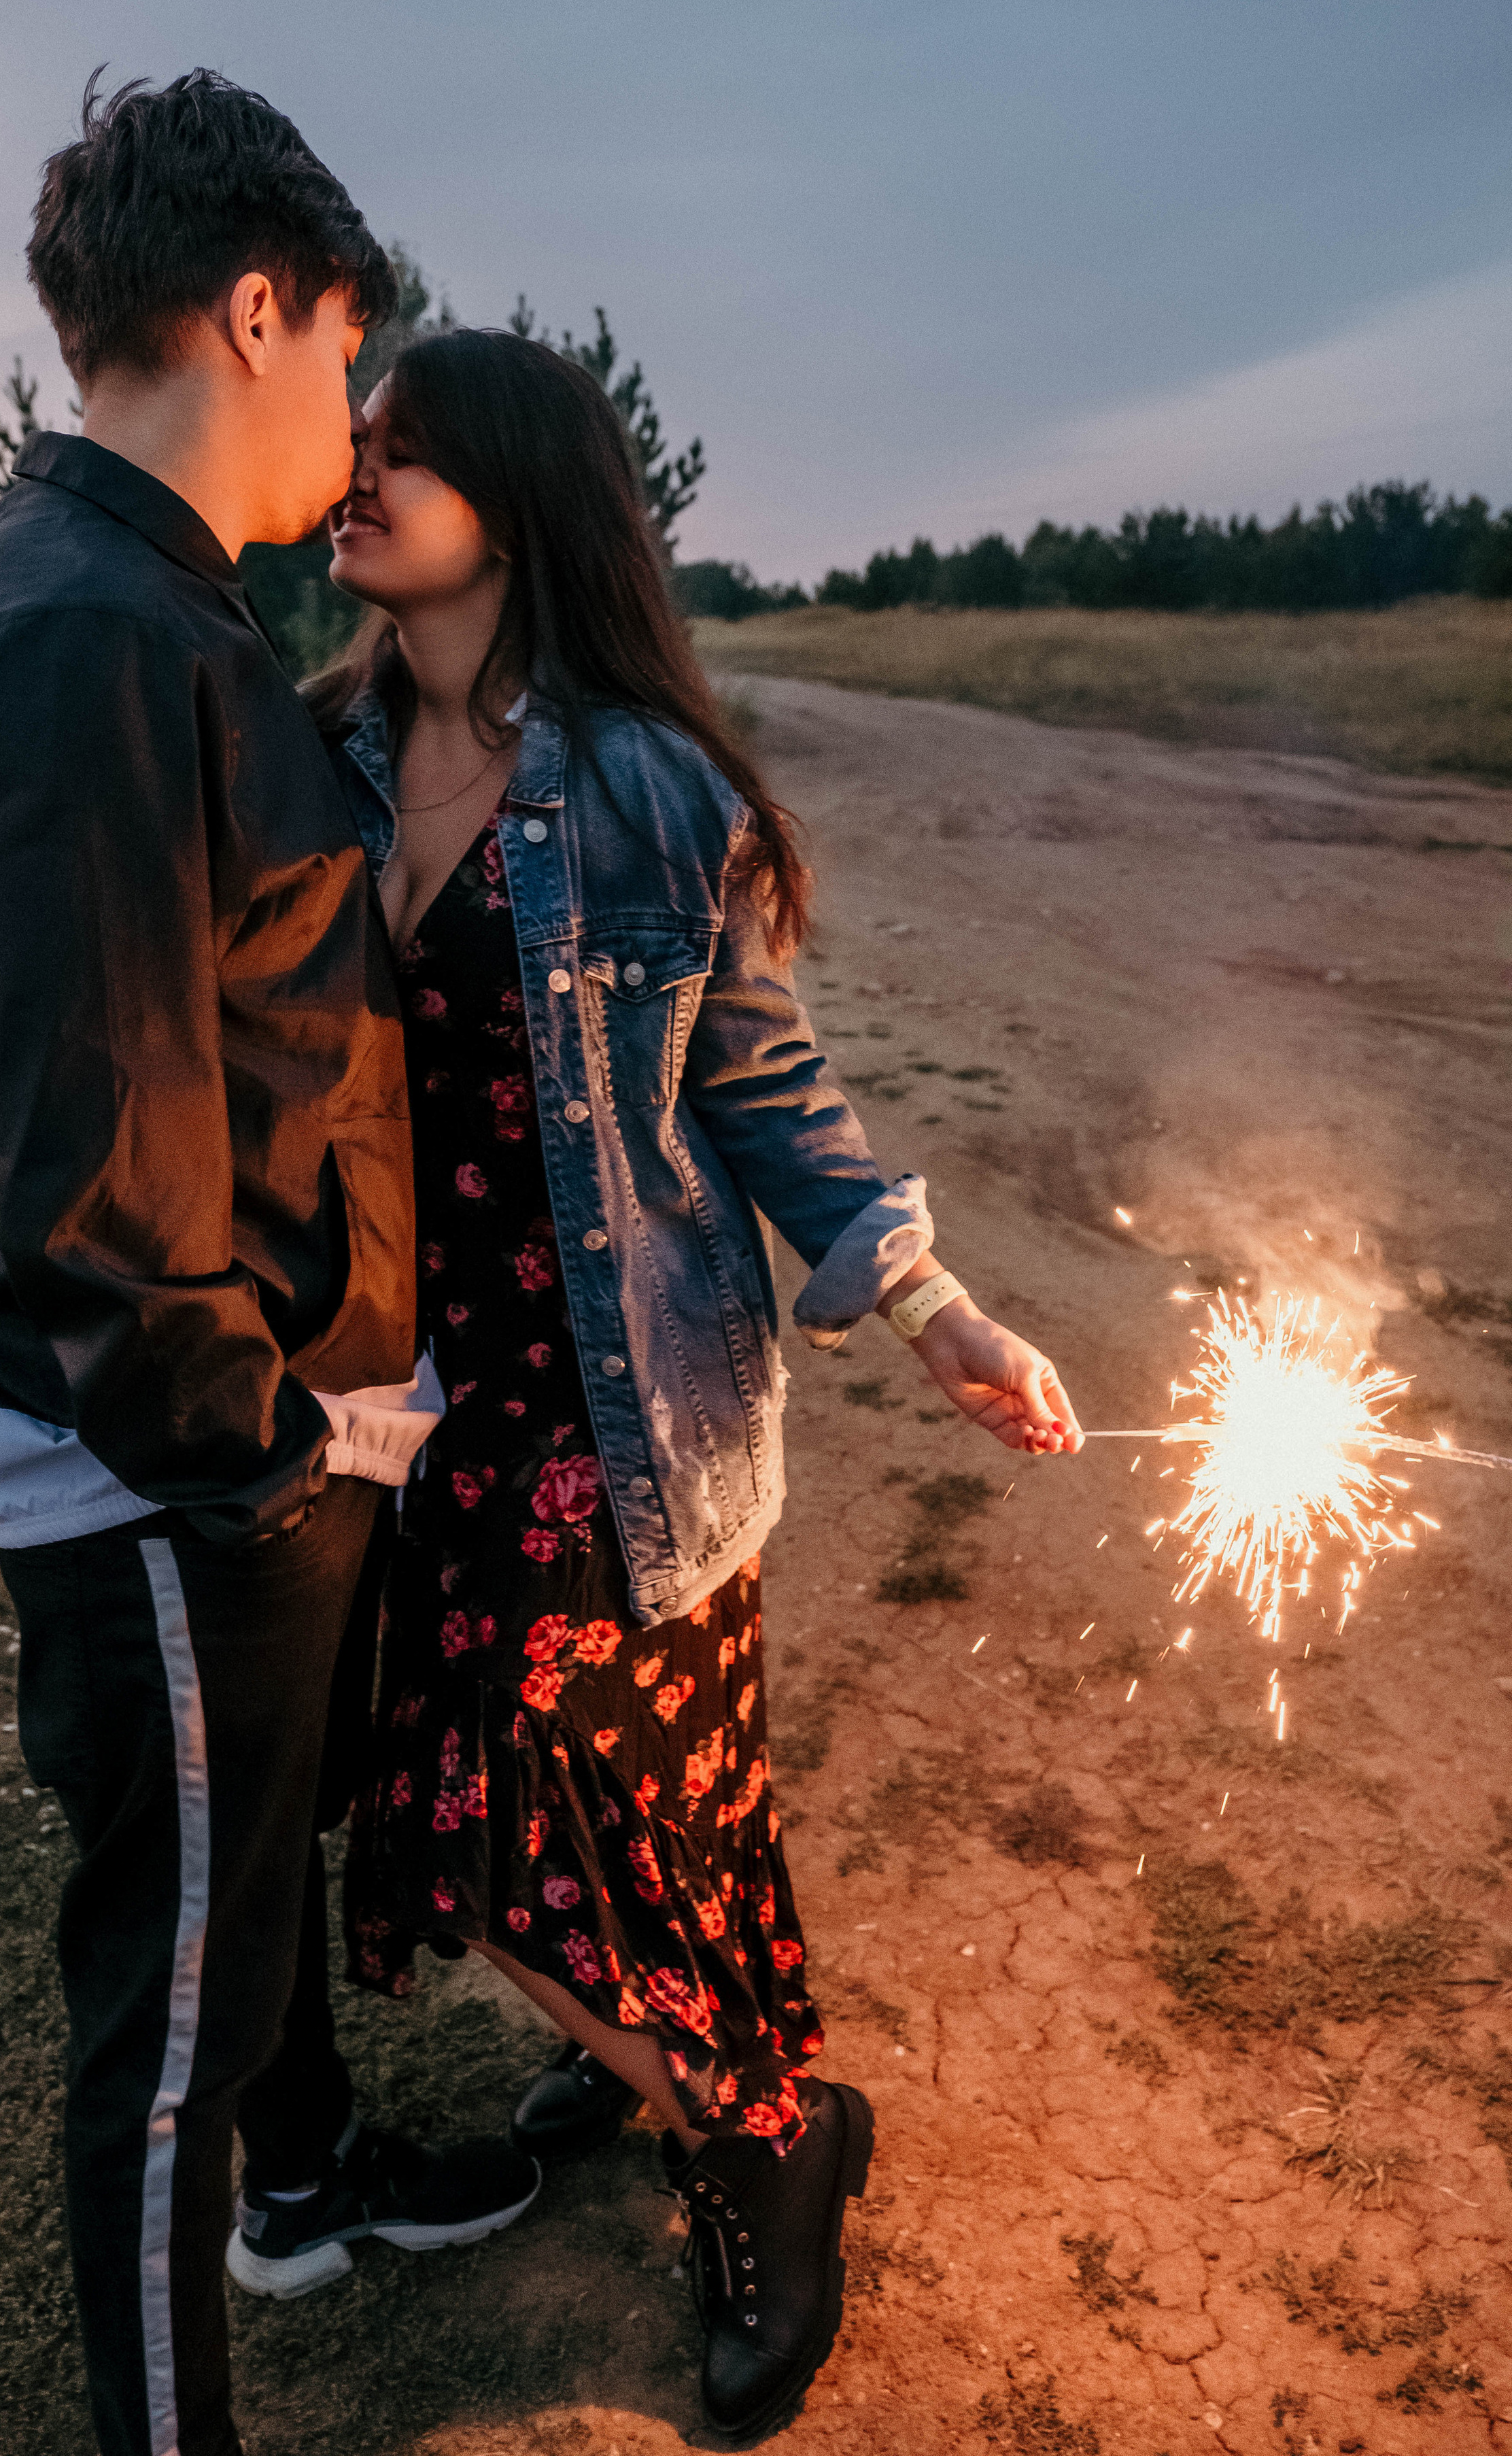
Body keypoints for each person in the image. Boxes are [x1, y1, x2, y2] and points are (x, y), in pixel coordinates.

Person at [303, 326, 1084, 2440]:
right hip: (424, 1403)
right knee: (535, 1821)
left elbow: (766, 1097)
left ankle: (760, 2133)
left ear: (520, 498)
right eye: (356, 446)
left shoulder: (655, 790)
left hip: (626, 1408)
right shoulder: (320, 755)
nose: (352, 476)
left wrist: (938, 1311)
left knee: (546, 1815)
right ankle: (702, 2065)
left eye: (401, 454)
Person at [0, 75, 536, 2456]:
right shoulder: (70, 646)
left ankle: (320, 2181)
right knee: (171, 2010)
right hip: (167, 1466)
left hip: (244, 1434)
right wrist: (255, 1455)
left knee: (250, 1891)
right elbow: (97, 1167)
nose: (356, 418)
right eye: (351, 356)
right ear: (258, 309)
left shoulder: (150, 603)